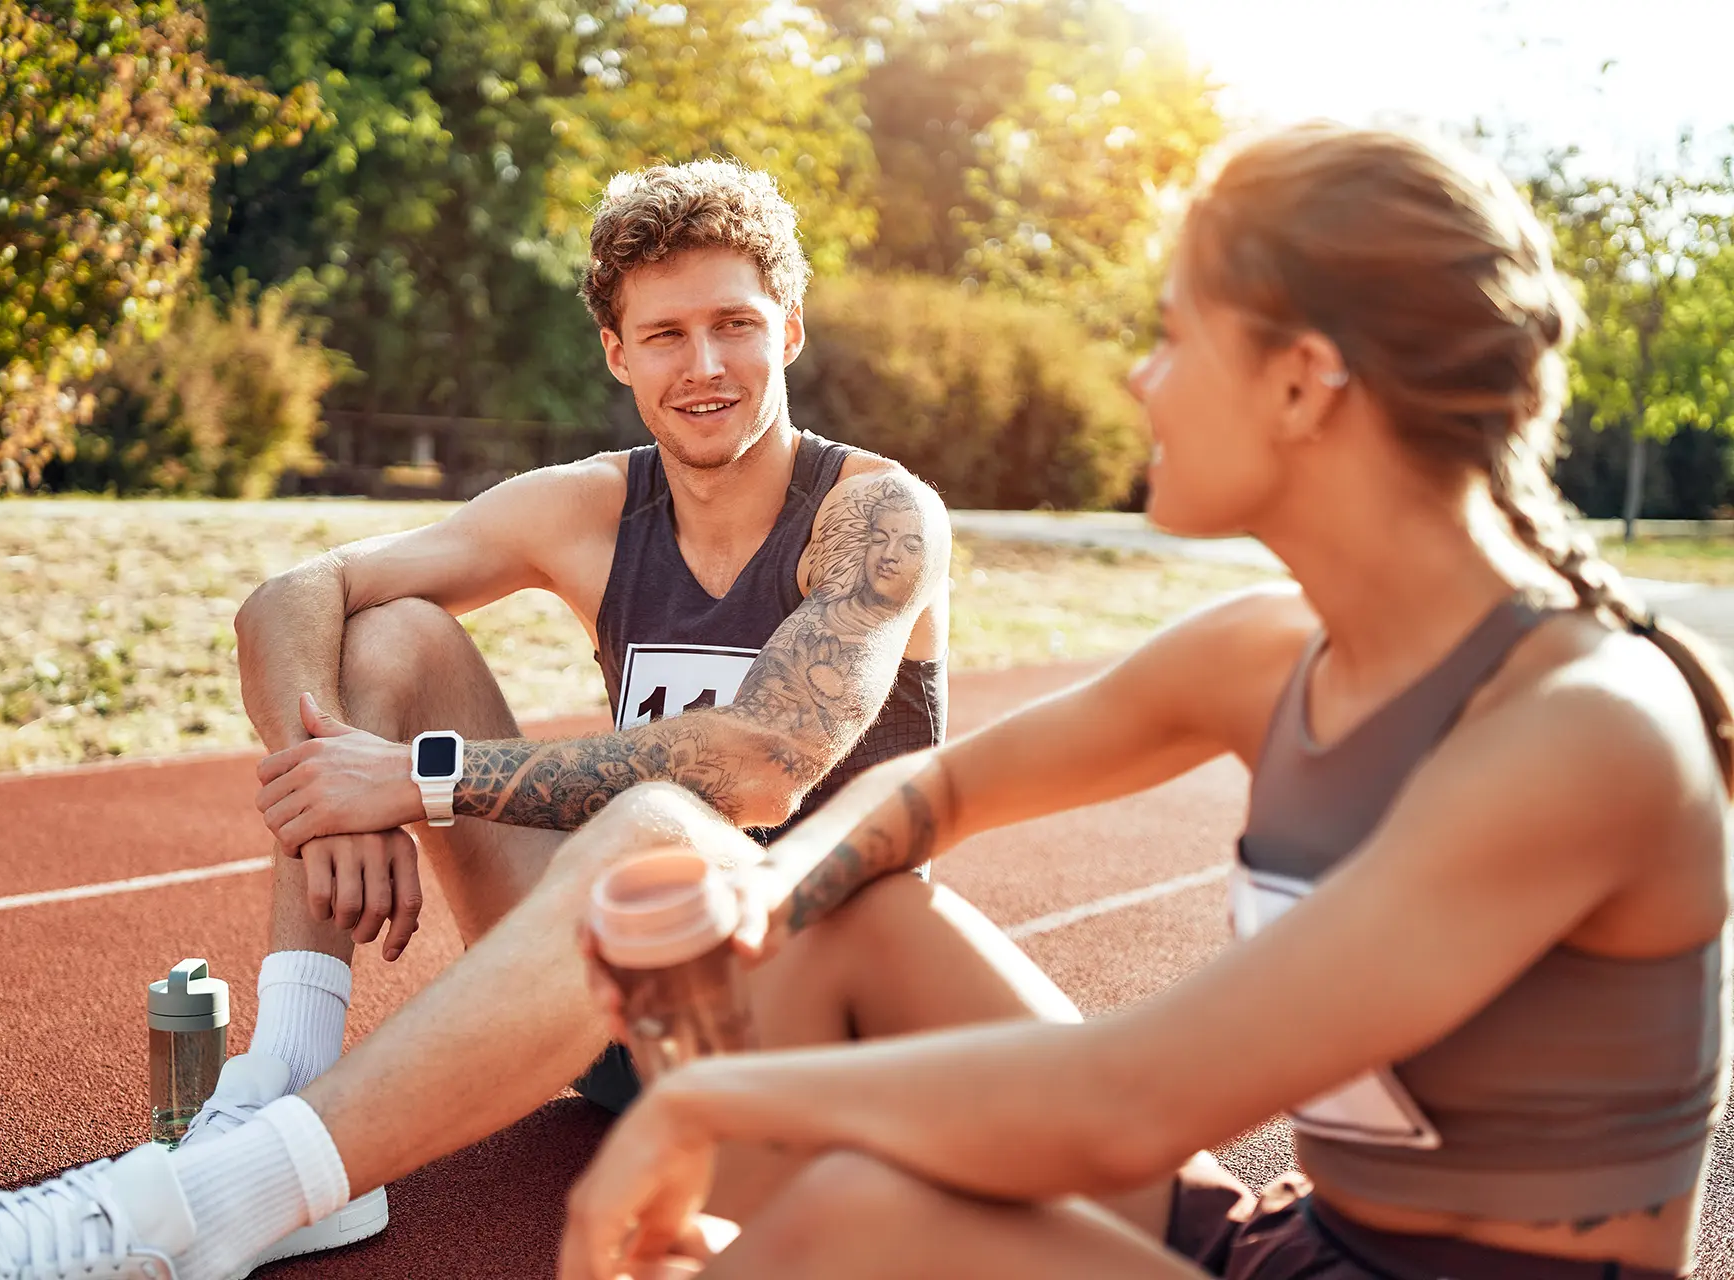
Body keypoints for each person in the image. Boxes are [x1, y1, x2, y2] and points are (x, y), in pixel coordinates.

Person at [555, 122, 1734, 1280]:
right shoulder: (1270, 651)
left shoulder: (1582, 729)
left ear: (1298, 380)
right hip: (1302, 1242)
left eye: (1173, 336)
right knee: (850, 916)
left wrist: (702, 1101)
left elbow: (1127, 1101)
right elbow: (952, 782)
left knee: (863, 1217)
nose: (1138, 374)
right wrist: (761, 893)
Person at [0, 159, 993, 1280]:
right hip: (621, 1027)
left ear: (788, 329)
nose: (707, 363)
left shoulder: (879, 515)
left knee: (662, 828)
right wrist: (334, 792)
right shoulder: (588, 505)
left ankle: (199, 1209)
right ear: (616, 354)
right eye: (667, 333)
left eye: (735, 323)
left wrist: (421, 781)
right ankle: (281, 1078)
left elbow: (764, 762)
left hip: (809, 1039)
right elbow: (290, 595)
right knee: (389, 635)